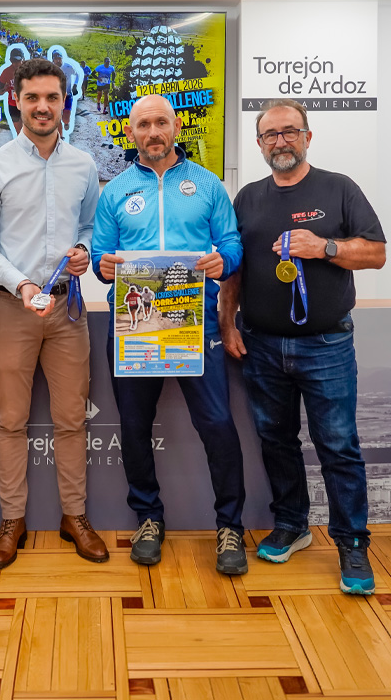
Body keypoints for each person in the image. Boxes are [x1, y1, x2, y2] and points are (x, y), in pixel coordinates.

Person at [219, 98, 386, 596]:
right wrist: (227, 323)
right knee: (276, 441)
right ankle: (292, 525)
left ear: (307, 136)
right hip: (261, 344)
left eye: (290, 131)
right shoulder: (248, 198)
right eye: (270, 134)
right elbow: (235, 270)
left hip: (326, 345)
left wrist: (325, 247)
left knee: (338, 446)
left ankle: (351, 543)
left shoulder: (339, 188)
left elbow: (376, 253)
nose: (281, 141)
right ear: (259, 144)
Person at [92, 94, 247, 575]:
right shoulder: (115, 192)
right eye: (143, 124)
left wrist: (225, 260)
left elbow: (232, 243)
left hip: (194, 322)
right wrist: (103, 265)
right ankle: (148, 518)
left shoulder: (208, 185)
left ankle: (230, 526)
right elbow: (100, 255)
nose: (153, 132)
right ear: (130, 132)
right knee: (134, 426)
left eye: (161, 122)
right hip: (134, 324)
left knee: (217, 424)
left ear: (176, 127)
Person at [0, 58, 108, 569]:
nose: (43, 107)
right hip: (11, 310)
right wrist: (23, 284)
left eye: (52, 97)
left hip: (68, 309)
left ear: (64, 102)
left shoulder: (84, 166)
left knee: (72, 419)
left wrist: (84, 250)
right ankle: (12, 521)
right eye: (32, 98)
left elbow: (90, 227)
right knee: (11, 421)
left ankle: (75, 518)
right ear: (17, 101)